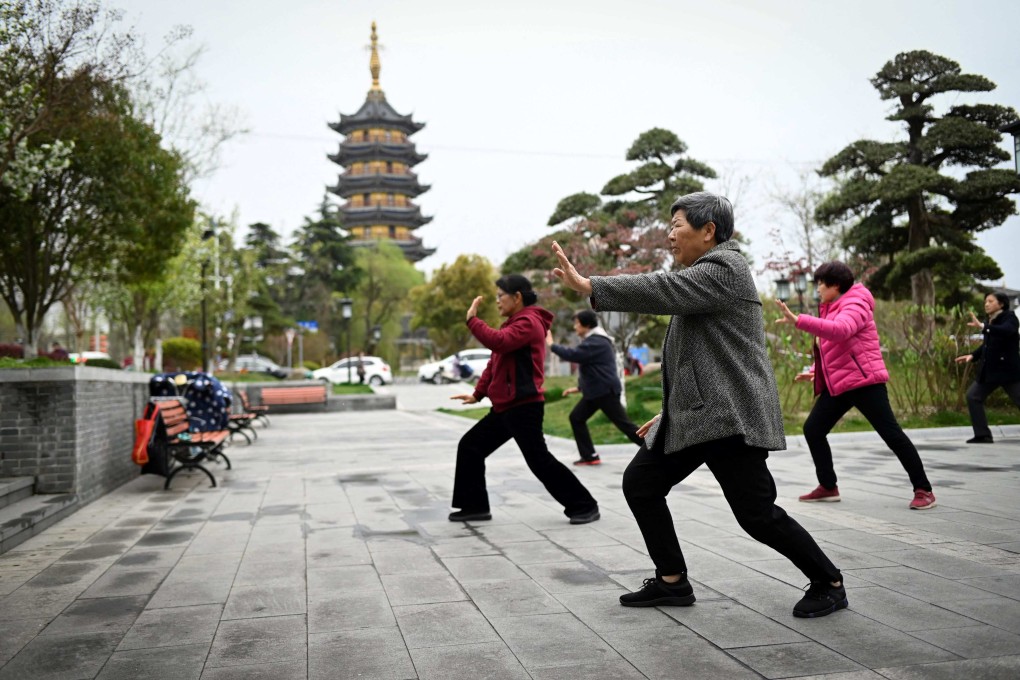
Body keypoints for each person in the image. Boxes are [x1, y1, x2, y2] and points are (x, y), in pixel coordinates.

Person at [553, 191, 846, 619]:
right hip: (696, 415)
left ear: (709, 231)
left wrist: (591, 286)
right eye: (670, 226)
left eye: (677, 226)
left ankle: (829, 581)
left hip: (728, 416)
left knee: (756, 514)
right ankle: (672, 581)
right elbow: (695, 359)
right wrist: (670, 409)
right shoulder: (702, 277)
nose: (670, 235)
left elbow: (662, 288)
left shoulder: (725, 268)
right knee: (642, 484)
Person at [776, 261, 936, 510]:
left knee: (891, 434)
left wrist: (800, 320)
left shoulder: (856, 303)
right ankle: (828, 486)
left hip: (865, 382)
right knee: (813, 429)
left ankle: (924, 489)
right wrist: (817, 371)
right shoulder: (830, 306)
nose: (817, 289)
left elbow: (840, 331)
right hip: (841, 384)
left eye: (820, 284)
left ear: (836, 285)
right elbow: (835, 348)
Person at [448, 274, 601, 525]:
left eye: (500, 296)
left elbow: (499, 342)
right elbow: (495, 361)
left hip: (523, 406)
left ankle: (585, 505)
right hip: (506, 406)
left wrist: (473, 321)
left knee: (539, 460)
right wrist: (478, 393)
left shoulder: (529, 322)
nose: (497, 302)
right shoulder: (513, 323)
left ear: (517, 297)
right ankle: (474, 507)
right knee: (470, 447)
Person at [546, 309, 642, 465]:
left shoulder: (596, 341)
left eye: (577, 323)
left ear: (587, 325)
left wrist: (551, 345)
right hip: (596, 392)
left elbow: (573, 355)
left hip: (604, 392)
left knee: (626, 426)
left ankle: (656, 451)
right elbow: (594, 369)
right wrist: (578, 388)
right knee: (576, 418)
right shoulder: (594, 341)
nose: (575, 327)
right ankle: (590, 456)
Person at [955, 292, 1020, 444]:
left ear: (1001, 304)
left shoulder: (1009, 318)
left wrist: (984, 327)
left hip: (1008, 371)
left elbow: (1006, 331)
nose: (986, 304)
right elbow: (988, 345)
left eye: (991, 301)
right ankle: (983, 435)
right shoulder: (990, 320)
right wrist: (972, 355)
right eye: (985, 301)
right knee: (973, 396)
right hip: (990, 371)